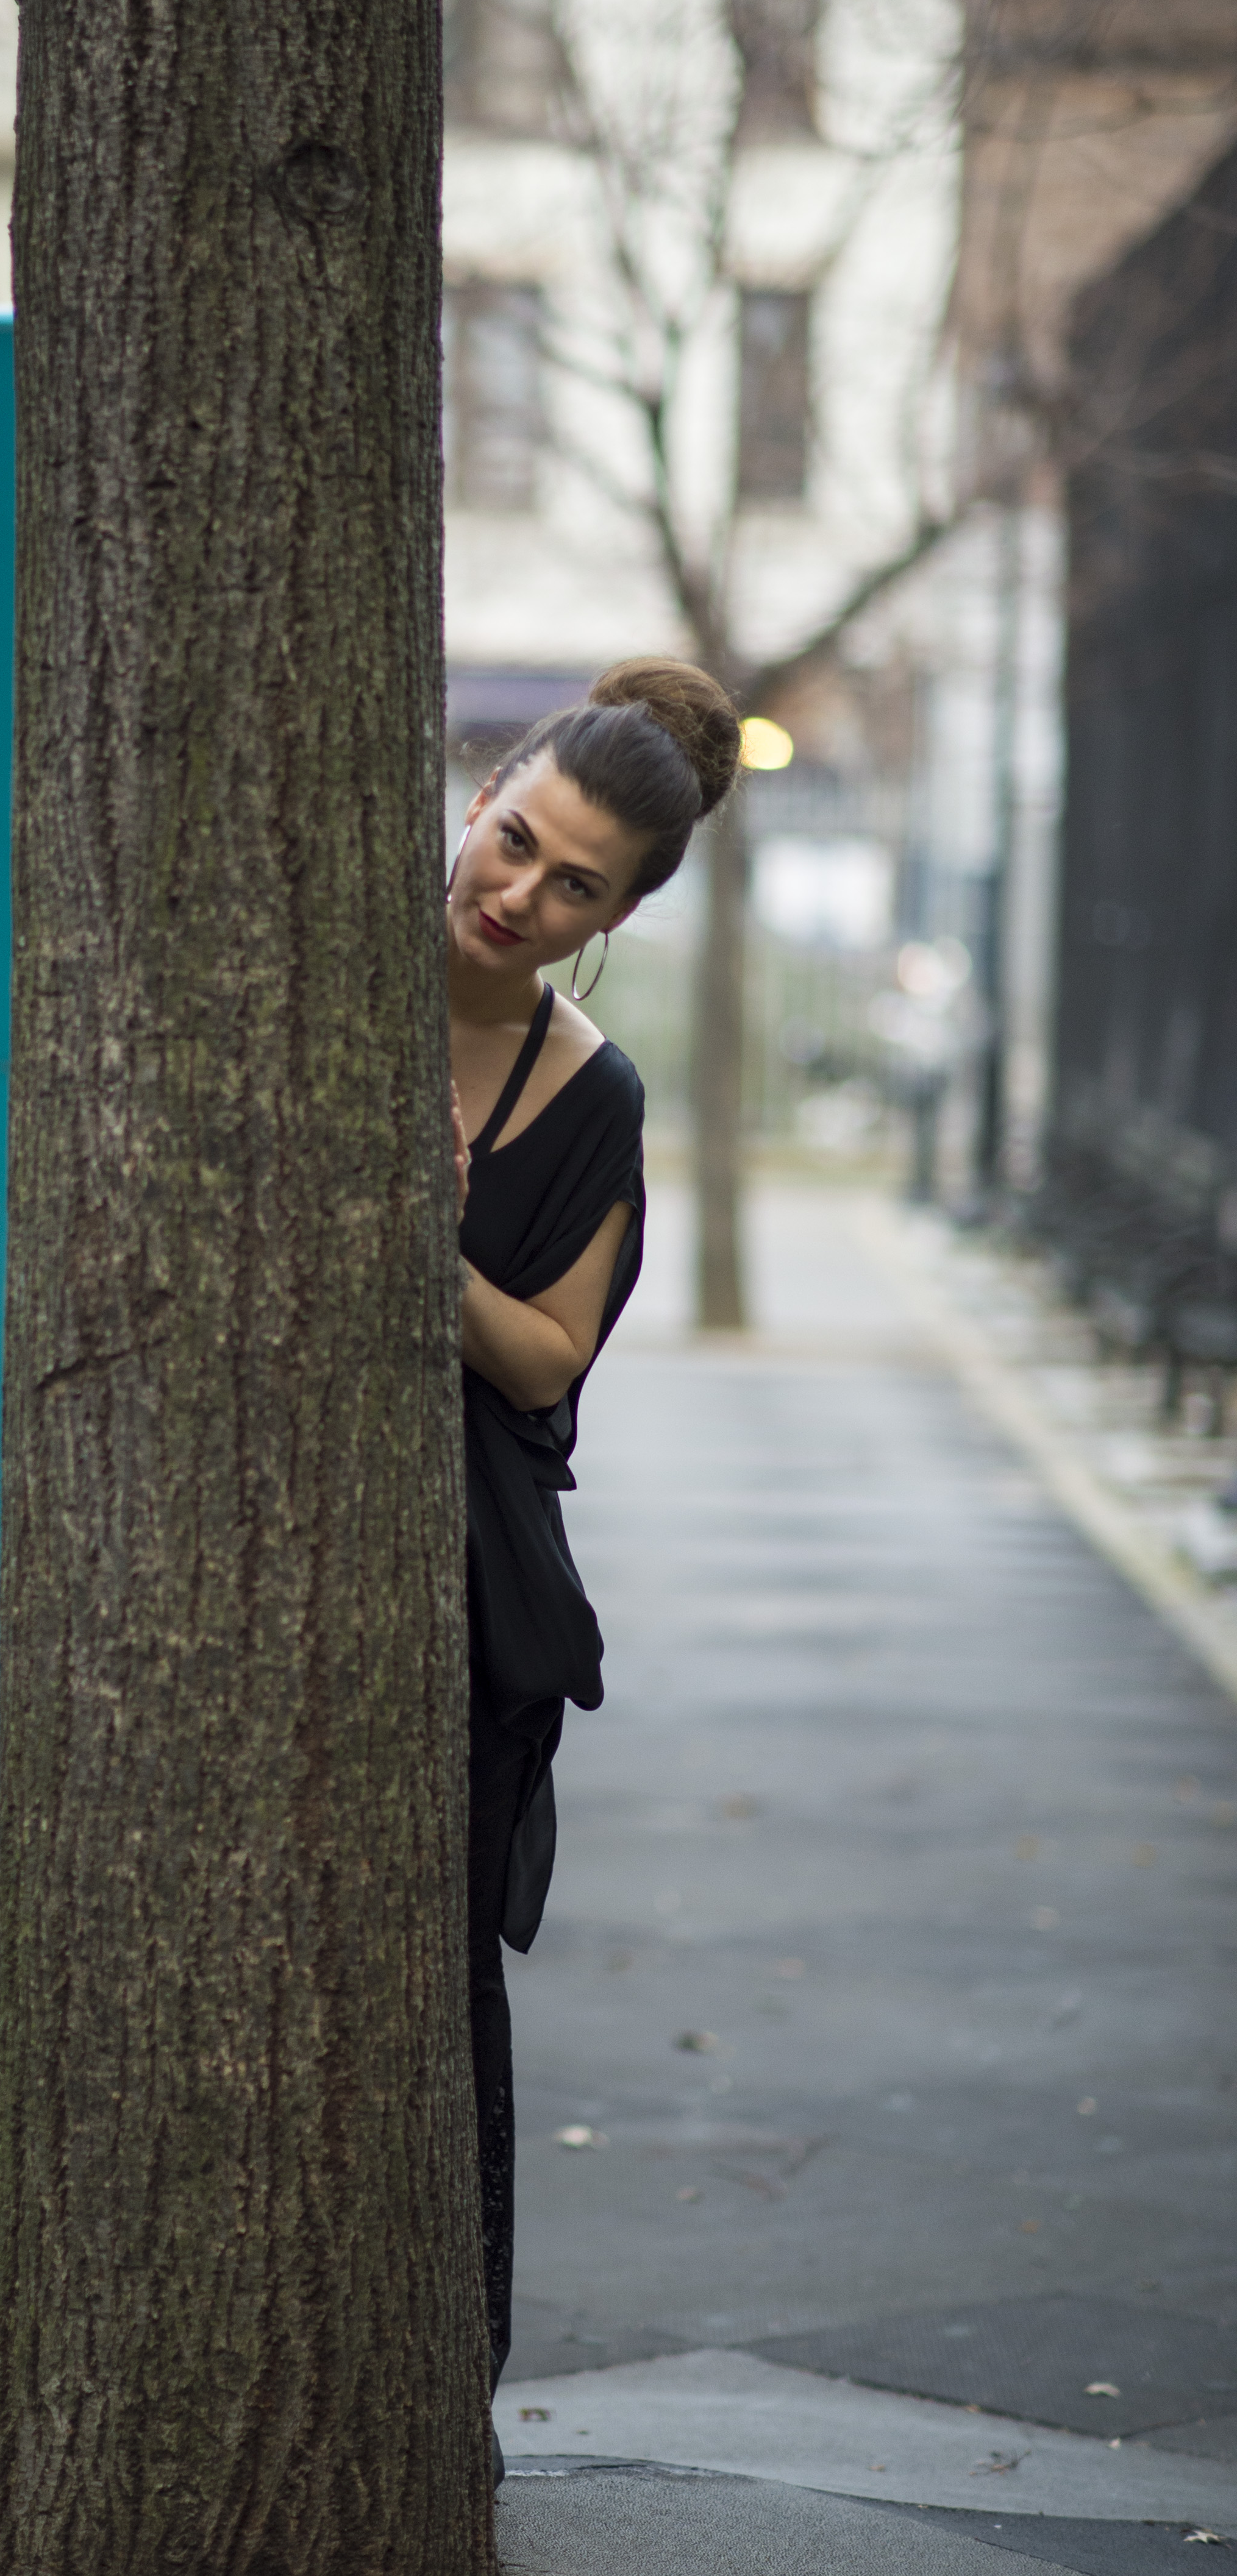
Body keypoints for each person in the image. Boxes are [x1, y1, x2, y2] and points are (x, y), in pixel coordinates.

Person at [449, 654, 743, 2407]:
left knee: (434, 1992)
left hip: (473, 1590)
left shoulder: (594, 1096)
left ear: (620, 914)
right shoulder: (327, 958)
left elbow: (556, 1350)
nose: (518, 898)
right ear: (484, 791)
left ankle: (444, 2378)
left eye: (575, 889)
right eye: (514, 842)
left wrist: (430, 1242)